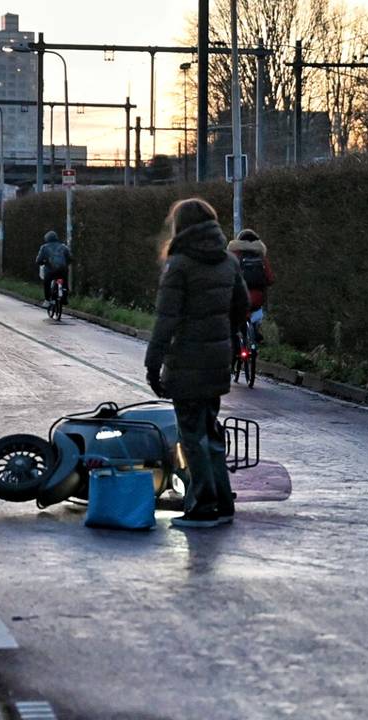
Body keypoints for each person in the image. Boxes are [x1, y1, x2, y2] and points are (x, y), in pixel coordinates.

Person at [145, 198, 249, 529]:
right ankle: (222, 503)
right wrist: (227, 339)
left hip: (186, 360)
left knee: (191, 435)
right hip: (218, 358)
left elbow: (166, 321)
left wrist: (153, 364)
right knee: (211, 432)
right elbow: (242, 307)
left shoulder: (180, 264)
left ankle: (203, 506)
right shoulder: (229, 261)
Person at [227, 228, 275, 359]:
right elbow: (270, 279)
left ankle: (235, 348)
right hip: (257, 298)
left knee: (232, 320)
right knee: (255, 314)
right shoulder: (261, 257)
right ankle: (255, 333)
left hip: (238, 298)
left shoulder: (234, 255)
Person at [34, 230, 73, 308]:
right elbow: (70, 258)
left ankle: (47, 300)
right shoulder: (63, 247)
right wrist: (66, 264)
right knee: (64, 281)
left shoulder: (44, 247)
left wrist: (43, 262)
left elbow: (38, 260)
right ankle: (64, 297)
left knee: (47, 283)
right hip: (62, 270)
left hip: (50, 270)